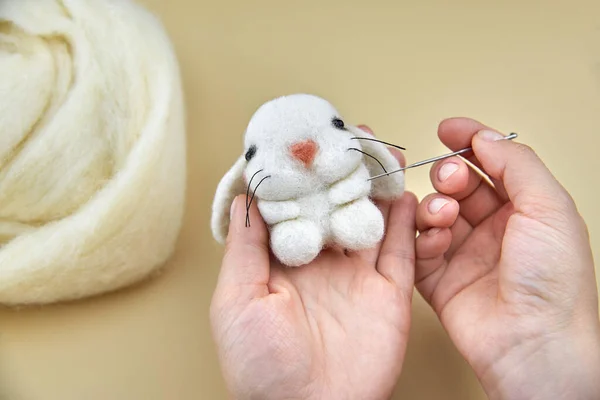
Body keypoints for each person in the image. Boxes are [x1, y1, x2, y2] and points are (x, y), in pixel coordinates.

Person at [209, 117, 600, 399]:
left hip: (349, 210)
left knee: (360, 219)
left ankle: (348, 220)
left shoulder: (353, 177)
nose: (303, 152)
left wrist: (543, 343)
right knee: (299, 237)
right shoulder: (266, 198)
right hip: (293, 223)